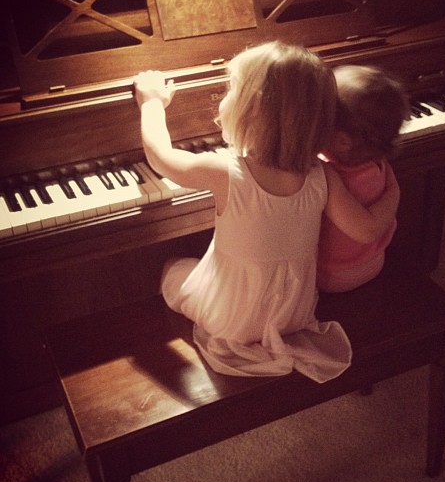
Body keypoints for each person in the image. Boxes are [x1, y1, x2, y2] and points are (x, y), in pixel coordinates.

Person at [133, 41, 399, 384]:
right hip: (294, 314)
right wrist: (393, 192)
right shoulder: (323, 175)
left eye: (230, 88)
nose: (224, 97)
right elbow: (367, 229)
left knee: (172, 267)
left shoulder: (223, 171)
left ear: (254, 108)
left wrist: (151, 103)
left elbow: (159, 156)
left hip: (231, 321)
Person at [317, 64, 409, 293]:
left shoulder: (329, 176)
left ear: (343, 142)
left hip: (335, 277)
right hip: (374, 261)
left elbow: (366, 231)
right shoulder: (378, 160)